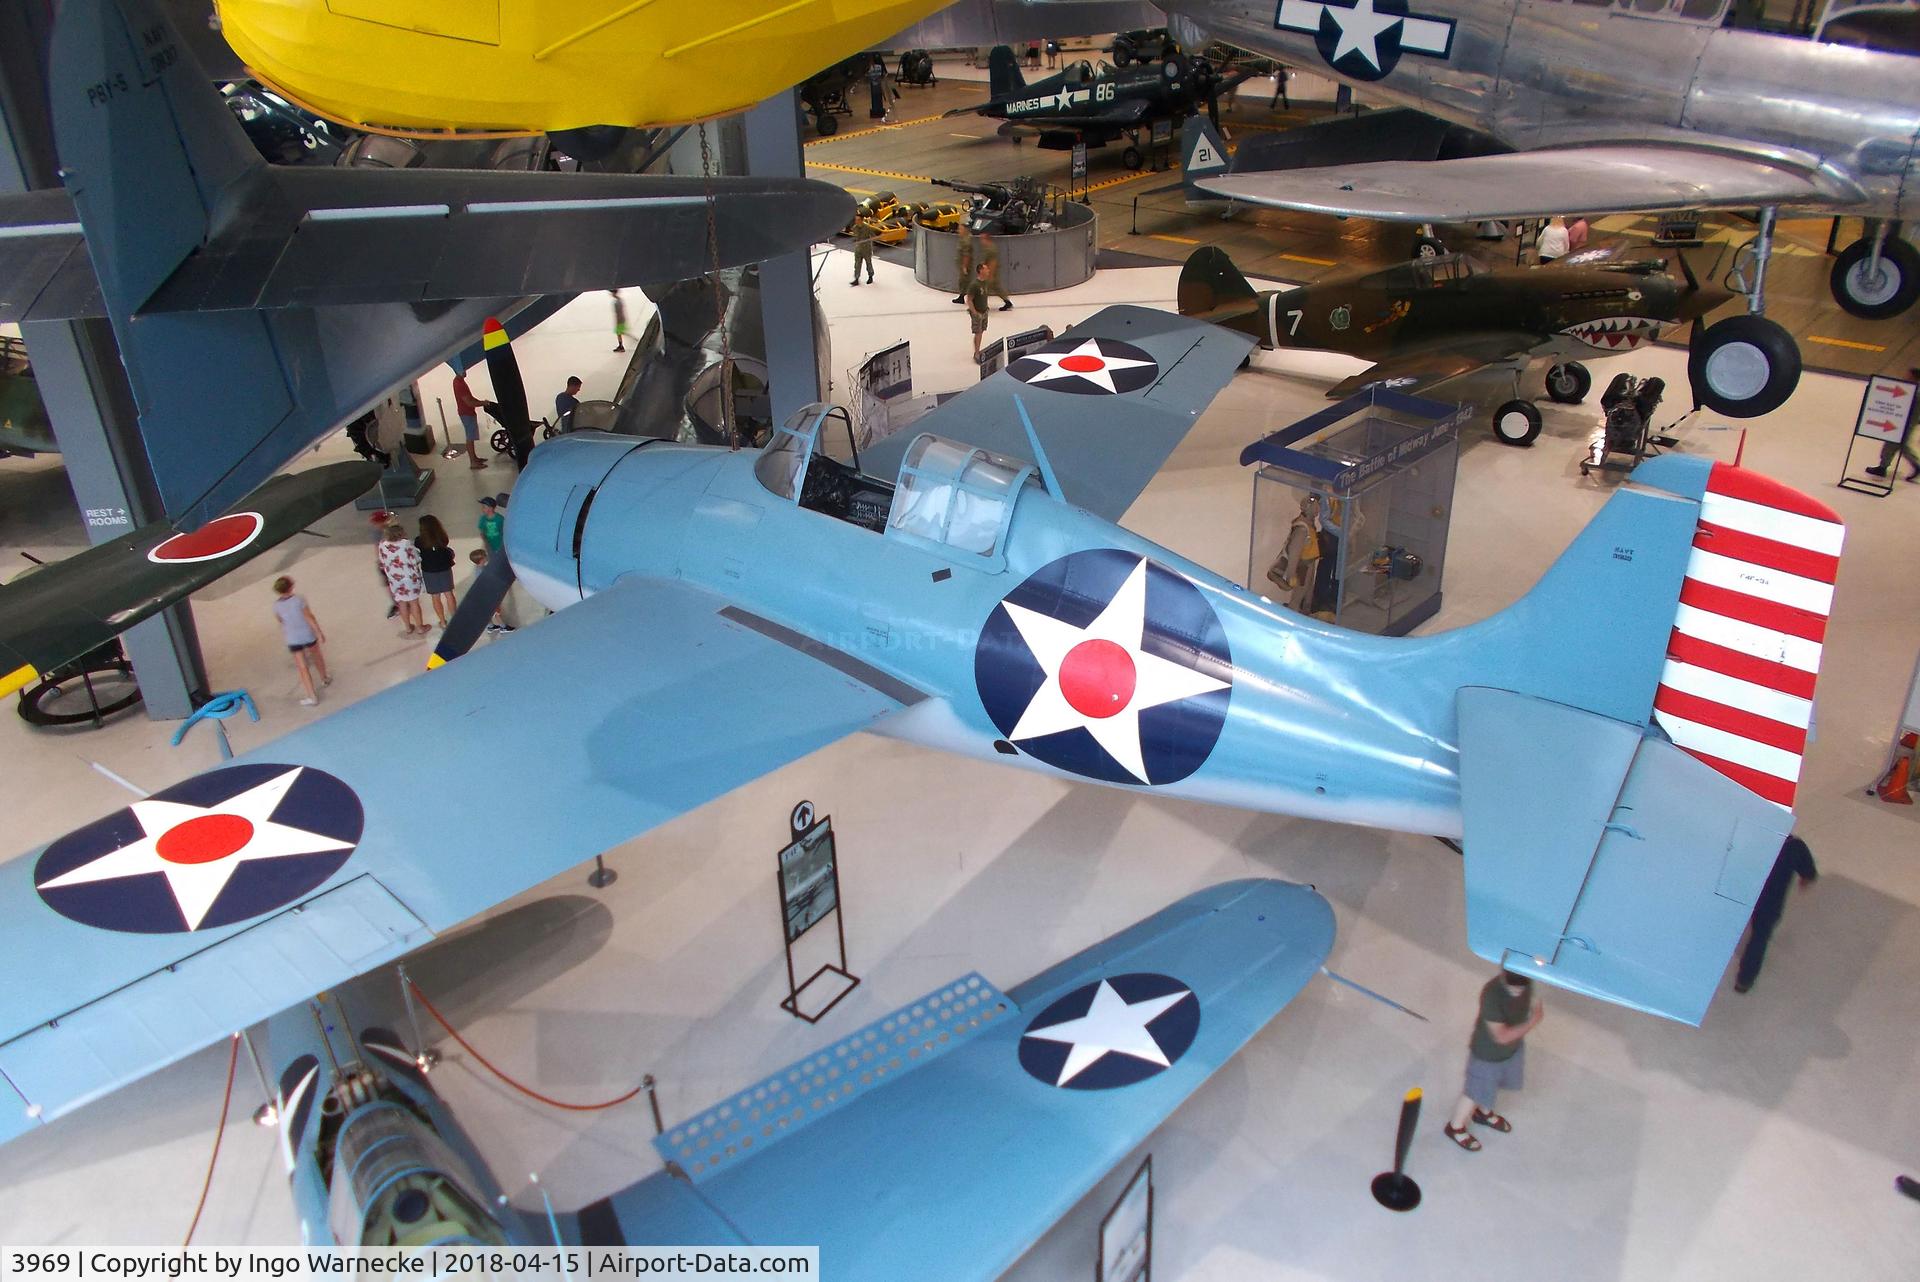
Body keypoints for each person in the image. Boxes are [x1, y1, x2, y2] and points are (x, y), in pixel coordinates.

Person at [1444, 969, 1543, 1152]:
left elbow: (1529, 1001)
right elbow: (1501, 1036)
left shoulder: (1526, 984)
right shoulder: (1491, 993)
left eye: (1521, 990)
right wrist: (1533, 1021)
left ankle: (1483, 1112)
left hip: (1511, 1050)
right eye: (1513, 990)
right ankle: (1455, 1127)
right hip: (1487, 1054)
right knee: (1474, 1092)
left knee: (1494, 1084)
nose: (1517, 993)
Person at [1734, 833, 1819, 992]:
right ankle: (1745, 980)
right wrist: (1806, 876)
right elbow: (1809, 872)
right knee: (1759, 938)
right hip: (1770, 901)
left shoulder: (1752, 837)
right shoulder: (1793, 846)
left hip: (1741, 892)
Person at [271, 576, 330, 707]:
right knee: (316, 655)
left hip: (292, 638)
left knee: (302, 667)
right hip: (307, 634)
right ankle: (324, 678)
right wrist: (319, 632)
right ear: (291, 587)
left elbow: (280, 621)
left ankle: (311, 696)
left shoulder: (276, 606)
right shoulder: (299, 600)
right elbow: (309, 617)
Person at [1866, 367, 1920, 481]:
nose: (1905, 376)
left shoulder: (1914, 392)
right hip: (1902, 421)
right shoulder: (1910, 389)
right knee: (1894, 444)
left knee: (1899, 445)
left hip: (1905, 422)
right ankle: (1883, 466)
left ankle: (1915, 465)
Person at [377, 520, 429, 637]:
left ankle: (408, 627)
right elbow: (416, 558)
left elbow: (382, 561)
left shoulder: (382, 544)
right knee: (414, 602)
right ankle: (420, 627)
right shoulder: (405, 544)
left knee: (401, 603)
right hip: (409, 578)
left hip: (395, 579)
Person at [414, 513, 459, 629]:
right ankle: (455, 618)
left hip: (429, 570)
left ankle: (442, 621)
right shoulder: (442, 538)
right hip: (444, 568)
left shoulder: (419, 541)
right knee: (449, 594)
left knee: (435, 596)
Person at [451, 369, 490, 470]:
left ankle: (474, 458)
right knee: (470, 438)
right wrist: (483, 403)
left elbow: (470, 397)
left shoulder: (459, 382)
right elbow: (469, 402)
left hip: (467, 412)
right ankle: (473, 462)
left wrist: (480, 401)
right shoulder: (460, 384)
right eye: (463, 370)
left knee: (471, 437)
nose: (465, 372)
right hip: (466, 413)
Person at [977, 232, 1013, 311]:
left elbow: (993, 263)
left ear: (986, 239)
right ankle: (1007, 302)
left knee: (984, 289)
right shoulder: (988, 248)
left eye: (982, 239)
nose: (981, 241)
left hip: (990, 273)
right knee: (997, 288)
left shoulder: (991, 249)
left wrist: (990, 275)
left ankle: (983, 306)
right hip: (989, 272)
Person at [966, 262, 991, 360]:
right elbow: (969, 300)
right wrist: (975, 313)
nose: (988, 270)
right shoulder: (974, 285)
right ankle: (976, 353)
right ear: (981, 270)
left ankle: (978, 349)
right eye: (986, 268)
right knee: (978, 332)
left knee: (981, 331)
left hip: (984, 311)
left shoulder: (985, 282)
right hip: (978, 313)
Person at [952, 224, 976, 305]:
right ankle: (962, 297)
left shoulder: (966, 241)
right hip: (963, 265)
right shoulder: (963, 239)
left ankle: (972, 298)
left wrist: (965, 266)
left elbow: (966, 255)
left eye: (961, 229)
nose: (959, 231)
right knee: (963, 282)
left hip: (966, 265)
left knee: (965, 281)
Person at [850, 216, 878, 286]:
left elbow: (873, 236)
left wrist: (872, 239)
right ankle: (856, 278)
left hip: (866, 249)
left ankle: (870, 276)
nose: (856, 221)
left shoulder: (867, 227)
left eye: (858, 220)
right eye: (856, 220)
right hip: (858, 249)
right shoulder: (854, 228)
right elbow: (855, 237)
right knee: (857, 264)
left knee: (868, 263)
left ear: (862, 220)